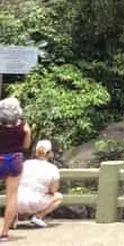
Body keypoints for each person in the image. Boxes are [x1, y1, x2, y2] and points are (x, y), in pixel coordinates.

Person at [0, 97, 31, 242]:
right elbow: (26, 146)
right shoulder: (24, 127)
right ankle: (5, 233)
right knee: (12, 197)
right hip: (15, 160)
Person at [17, 140, 62, 228]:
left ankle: (13, 218)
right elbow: (53, 190)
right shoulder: (53, 169)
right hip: (36, 202)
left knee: (18, 194)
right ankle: (38, 216)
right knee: (58, 197)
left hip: (18, 201)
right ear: (50, 153)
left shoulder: (26, 164)